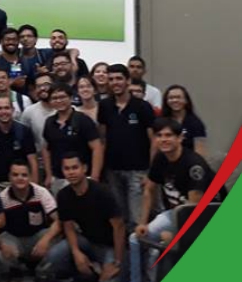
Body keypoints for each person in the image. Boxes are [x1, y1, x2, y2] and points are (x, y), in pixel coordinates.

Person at [129, 118, 224, 282]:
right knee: (136, 239)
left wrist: (176, 237)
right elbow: (149, 189)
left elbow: (194, 211)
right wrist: (142, 222)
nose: (163, 139)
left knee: (164, 250)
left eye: (169, 135)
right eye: (159, 136)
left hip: (207, 218)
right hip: (176, 214)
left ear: (180, 138)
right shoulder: (161, 158)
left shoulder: (193, 165)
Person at [36, 153, 125, 282]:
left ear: (84, 168)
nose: (71, 172)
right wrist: (76, 252)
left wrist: (117, 262)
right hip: (86, 240)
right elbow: (68, 225)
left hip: (109, 245)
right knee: (51, 260)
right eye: (67, 168)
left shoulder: (102, 192)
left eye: (75, 167)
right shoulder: (63, 195)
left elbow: (119, 227)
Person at [98, 64, 156, 230]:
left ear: (128, 81)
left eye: (119, 78)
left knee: (136, 220)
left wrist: (151, 172)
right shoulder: (104, 106)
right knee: (118, 219)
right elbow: (103, 138)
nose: (115, 82)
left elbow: (154, 140)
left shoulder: (143, 107)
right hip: (113, 171)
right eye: (111, 79)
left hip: (138, 171)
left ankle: (137, 247)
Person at [0, 160, 61, 274]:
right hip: (13, 237)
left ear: (30, 177)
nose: (20, 178)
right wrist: (2, 244)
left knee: (57, 245)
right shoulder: (2, 198)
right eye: (15, 175)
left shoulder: (41, 192)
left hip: (38, 235)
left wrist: (45, 240)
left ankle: (40, 270)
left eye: (24, 175)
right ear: (9, 177)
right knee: (0, 255)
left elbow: (59, 220)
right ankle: (17, 270)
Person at [42, 83, 104, 194]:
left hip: (83, 178)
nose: (59, 100)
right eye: (54, 98)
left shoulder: (83, 120)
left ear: (70, 98)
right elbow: (46, 149)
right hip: (58, 178)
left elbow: (97, 148)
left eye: (62, 97)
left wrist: (95, 176)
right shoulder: (49, 122)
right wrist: (49, 174)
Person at [0, 95, 38, 188]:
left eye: (7, 108)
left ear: (13, 110)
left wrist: (34, 186)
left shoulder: (24, 131)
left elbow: (32, 161)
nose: (3, 112)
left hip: (18, 184)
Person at [163, 85, 207, 156]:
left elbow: (200, 151)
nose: (175, 100)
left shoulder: (195, 123)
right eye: (171, 98)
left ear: (186, 100)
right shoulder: (161, 121)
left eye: (178, 97)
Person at [20, 73, 57, 154]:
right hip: (39, 158)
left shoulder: (65, 109)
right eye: (38, 86)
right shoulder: (29, 112)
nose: (42, 88)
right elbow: (24, 139)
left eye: (46, 84)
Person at [0, 28, 28, 93]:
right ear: (1, 41)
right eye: (7, 39)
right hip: (0, 98)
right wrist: (12, 82)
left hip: (21, 98)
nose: (11, 42)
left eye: (14, 39)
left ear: (18, 41)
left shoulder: (24, 60)